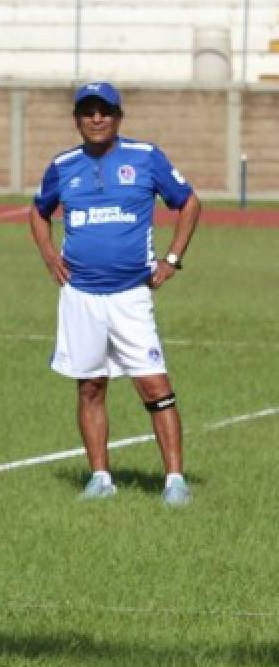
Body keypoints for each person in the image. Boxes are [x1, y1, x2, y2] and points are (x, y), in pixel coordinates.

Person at [29, 81, 201, 507]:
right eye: (87, 111)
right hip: (80, 296)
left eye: (104, 110)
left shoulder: (145, 158)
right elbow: (38, 211)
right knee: (90, 387)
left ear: (118, 116)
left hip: (130, 296)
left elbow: (189, 203)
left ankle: (175, 481)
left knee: (154, 386)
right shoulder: (63, 165)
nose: (97, 118)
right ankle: (100, 477)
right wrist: (50, 255)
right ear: (77, 119)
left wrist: (172, 259)